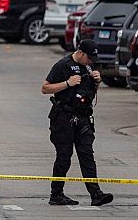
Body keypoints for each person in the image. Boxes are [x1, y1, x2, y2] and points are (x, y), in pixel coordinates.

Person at [41, 40, 113, 206]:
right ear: (80, 53)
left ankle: (96, 194)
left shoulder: (88, 67)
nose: (91, 62)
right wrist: (67, 83)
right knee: (64, 157)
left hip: (83, 118)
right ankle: (56, 194)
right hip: (63, 118)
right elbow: (45, 88)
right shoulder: (63, 65)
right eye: (89, 58)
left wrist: (97, 81)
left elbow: (89, 93)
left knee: (87, 154)